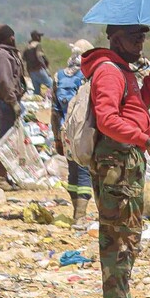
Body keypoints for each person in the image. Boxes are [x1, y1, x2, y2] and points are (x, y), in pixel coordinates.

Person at [81, 24, 150, 298]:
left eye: (143, 36)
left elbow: (136, 109)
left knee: (124, 230)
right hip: (117, 161)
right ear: (115, 38)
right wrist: (145, 140)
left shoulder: (122, 70)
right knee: (121, 233)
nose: (140, 42)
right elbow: (107, 120)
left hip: (124, 160)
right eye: (134, 36)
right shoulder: (109, 71)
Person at [52, 39, 95, 223]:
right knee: (84, 170)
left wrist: (57, 138)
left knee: (73, 171)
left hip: (65, 131)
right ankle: (80, 215)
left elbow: (55, 110)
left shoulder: (59, 76)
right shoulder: (87, 76)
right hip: (81, 130)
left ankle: (76, 212)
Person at [0, 23, 26, 191]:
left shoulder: (9, 54)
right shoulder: (3, 56)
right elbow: (4, 82)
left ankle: (5, 176)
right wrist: (13, 102)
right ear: (9, 38)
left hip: (9, 102)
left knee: (10, 141)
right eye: (11, 35)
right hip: (6, 103)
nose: (14, 38)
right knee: (5, 141)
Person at [23, 30, 52, 97]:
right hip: (39, 69)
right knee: (50, 84)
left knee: (36, 92)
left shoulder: (27, 47)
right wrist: (46, 68)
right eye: (39, 36)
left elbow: (24, 58)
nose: (40, 38)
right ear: (36, 37)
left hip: (31, 71)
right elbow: (40, 57)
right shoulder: (37, 45)